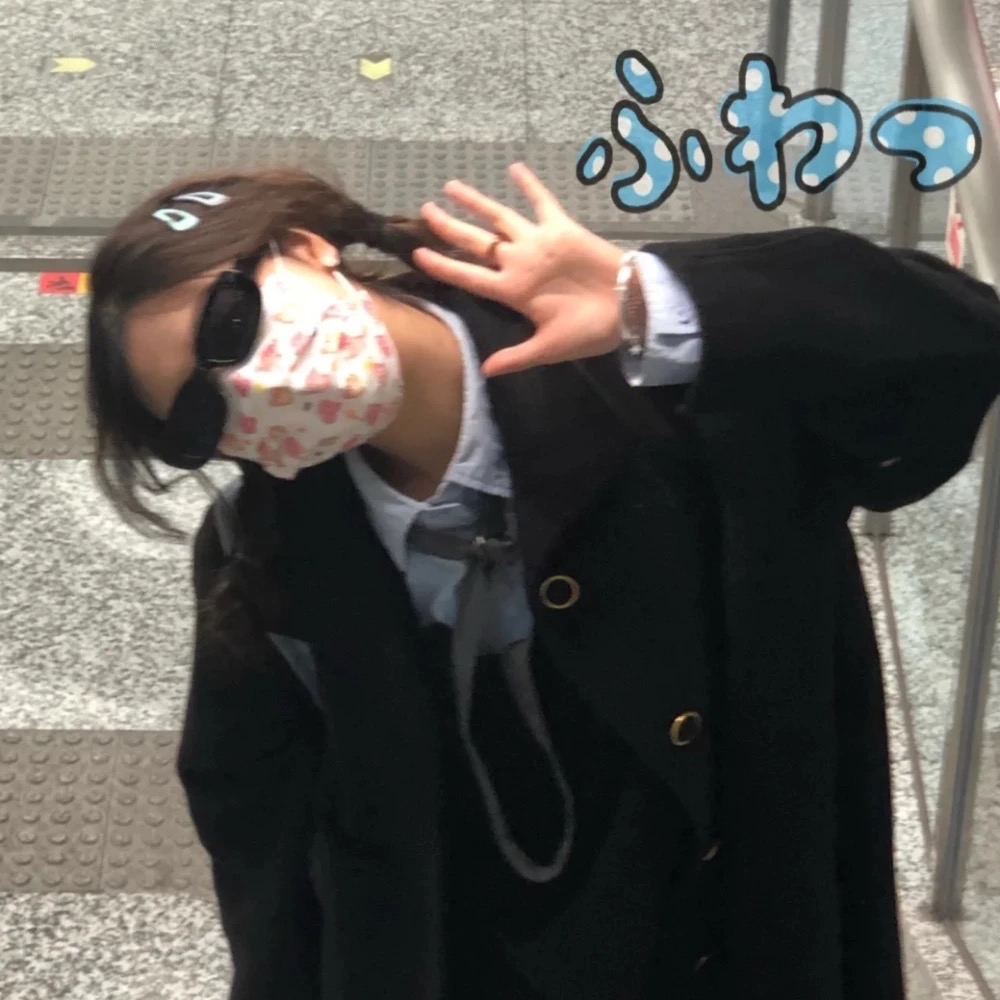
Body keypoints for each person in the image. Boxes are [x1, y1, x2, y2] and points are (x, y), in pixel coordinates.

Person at [85, 162, 1000, 1000]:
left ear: (304, 247)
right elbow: (258, 843)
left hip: (733, 924)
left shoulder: (663, 386)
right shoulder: (262, 558)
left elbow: (958, 346)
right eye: (198, 416)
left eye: (231, 325)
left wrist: (660, 301)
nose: (246, 387)